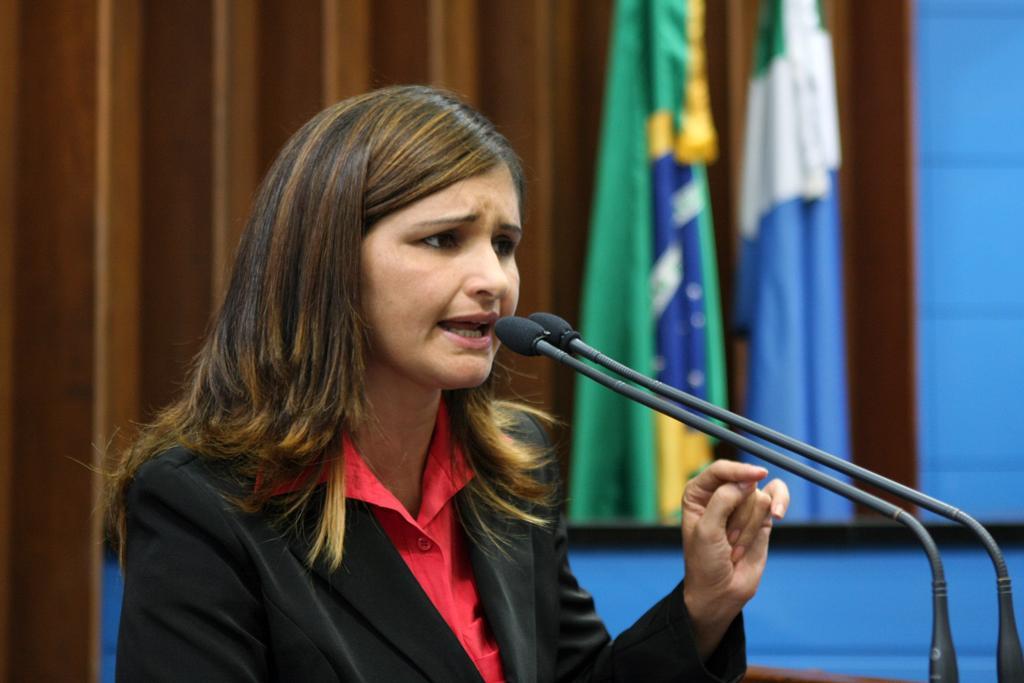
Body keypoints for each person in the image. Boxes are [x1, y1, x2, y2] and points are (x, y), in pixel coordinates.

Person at [106, 85, 789, 682]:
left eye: (503, 243)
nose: (494, 279)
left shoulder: (512, 468)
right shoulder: (206, 502)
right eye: (443, 240)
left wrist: (704, 606)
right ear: (330, 261)